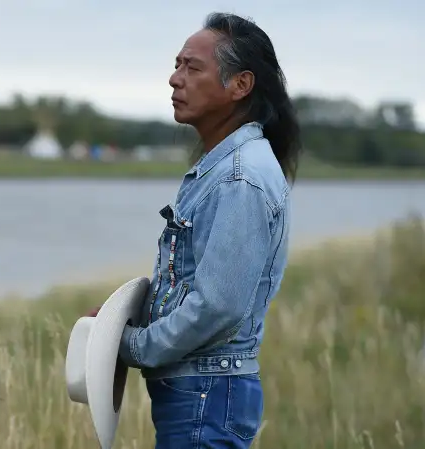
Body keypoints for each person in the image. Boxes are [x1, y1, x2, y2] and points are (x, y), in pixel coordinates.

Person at [85, 12, 302, 449]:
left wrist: (131, 345)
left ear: (240, 86)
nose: (174, 78)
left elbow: (217, 307)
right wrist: (123, 319)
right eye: (177, 64)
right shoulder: (223, 168)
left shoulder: (240, 177)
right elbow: (196, 287)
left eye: (192, 67)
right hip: (201, 398)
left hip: (205, 401)